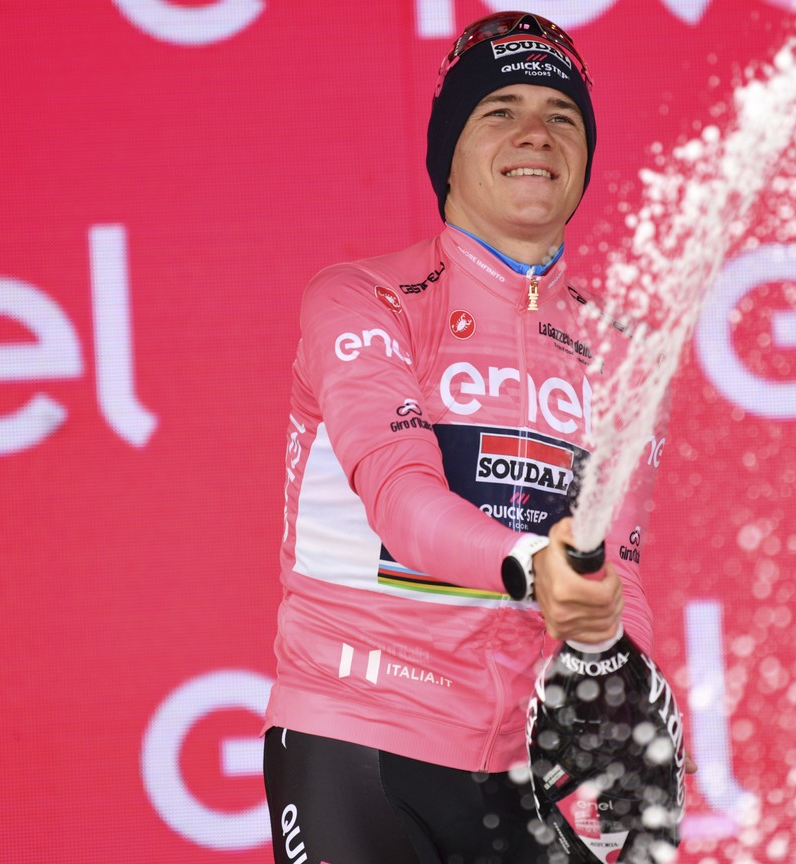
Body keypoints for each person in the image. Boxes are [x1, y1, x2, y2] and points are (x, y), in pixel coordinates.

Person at [264, 11, 664, 863]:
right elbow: (402, 502)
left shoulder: (623, 352)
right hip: (355, 743)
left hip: (518, 774)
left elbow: (617, 580)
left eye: (561, 115)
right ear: (449, 148)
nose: (535, 133)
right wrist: (532, 566)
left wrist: (632, 727)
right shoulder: (363, 299)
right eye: (500, 110)